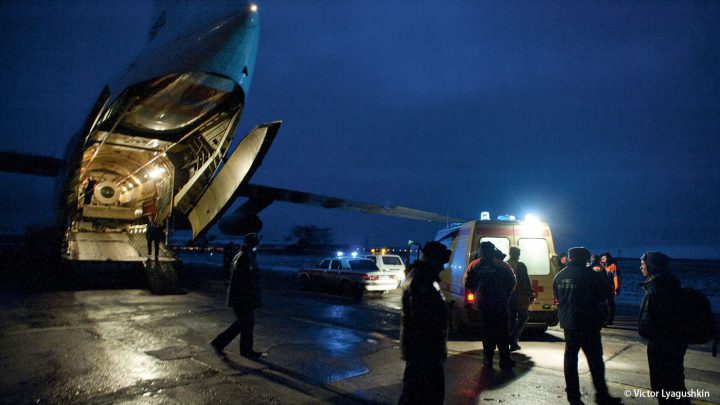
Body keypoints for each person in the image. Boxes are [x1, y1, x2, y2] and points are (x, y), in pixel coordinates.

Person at [553, 247, 621, 405]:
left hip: (568, 323)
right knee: (595, 359)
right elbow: (606, 293)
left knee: (570, 357)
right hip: (588, 322)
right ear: (584, 259)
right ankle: (602, 395)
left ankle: (573, 395)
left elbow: (558, 297)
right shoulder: (591, 275)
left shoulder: (559, 276)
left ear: (570, 258)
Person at [398, 241, 451, 405]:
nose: (443, 267)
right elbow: (424, 319)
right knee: (421, 395)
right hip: (424, 352)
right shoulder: (422, 281)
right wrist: (434, 350)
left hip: (424, 351)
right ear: (433, 260)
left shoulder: (422, 277)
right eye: (441, 262)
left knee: (417, 394)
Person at [638, 252, 689, 404]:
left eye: (643, 264)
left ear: (651, 266)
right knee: (676, 382)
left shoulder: (655, 288)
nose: (641, 267)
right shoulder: (671, 282)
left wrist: (643, 331)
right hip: (676, 342)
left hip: (660, 344)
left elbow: (651, 321)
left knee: (663, 386)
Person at [211, 233, 265, 359]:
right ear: (252, 244)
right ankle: (218, 344)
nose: (258, 245)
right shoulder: (244, 257)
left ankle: (246, 350)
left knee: (246, 324)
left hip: (243, 297)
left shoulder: (244, 255)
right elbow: (245, 280)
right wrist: (249, 296)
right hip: (243, 298)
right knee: (242, 324)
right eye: (256, 243)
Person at [465, 241, 516, 369]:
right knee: (502, 332)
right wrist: (505, 294)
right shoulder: (502, 265)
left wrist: (478, 292)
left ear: (480, 251)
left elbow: (467, 282)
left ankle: (488, 359)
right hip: (500, 303)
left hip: (483, 304)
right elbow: (512, 281)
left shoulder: (474, 265)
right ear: (493, 250)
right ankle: (505, 360)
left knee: (487, 332)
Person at [507, 246, 534, 351]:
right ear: (518, 254)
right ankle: (513, 338)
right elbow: (525, 282)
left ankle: (512, 341)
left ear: (510, 253)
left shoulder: (505, 264)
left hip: (508, 297)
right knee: (523, 317)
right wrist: (530, 294)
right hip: (519, 297)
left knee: (511, 319)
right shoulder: (521, 265)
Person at [601, 252, 621, 325]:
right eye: (602, 258)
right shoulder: (603, 266)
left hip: (610, 288)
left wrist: (617, 288)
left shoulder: (613, 266)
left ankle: (609, 320)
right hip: (603, 288)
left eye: (604, 258)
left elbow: (616, 278)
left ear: (608, 258)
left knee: (609, 304)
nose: (602, 259)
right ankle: (605, 318)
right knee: (604, 304)